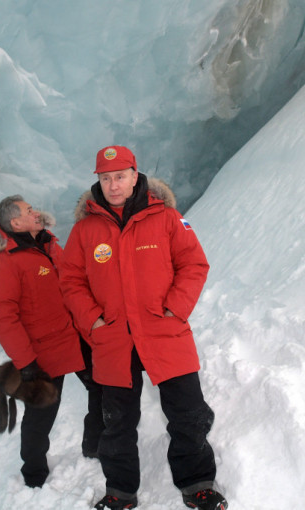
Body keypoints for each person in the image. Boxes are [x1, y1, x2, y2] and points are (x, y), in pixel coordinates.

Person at [59, 146, 227, 510]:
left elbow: (194, 264)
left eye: (120, 176)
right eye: (106, 178)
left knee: (188, 414)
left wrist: (175, 308)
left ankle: (197, 484)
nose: (113, 185)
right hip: (113, 339)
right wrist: (93, 320)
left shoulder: (167, 218)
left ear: (135, 176)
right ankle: (120, 492)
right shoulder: (85, 230)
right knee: (116, 424)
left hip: (164, 333)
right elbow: (70, 280)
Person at [0, 195, 104, 488]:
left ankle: (95, 445)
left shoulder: (49, 246)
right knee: (41, 413)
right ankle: (34, 475)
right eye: (29, 211)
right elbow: (3, 318)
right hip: (44, 352)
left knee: (102, 390)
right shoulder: (3, 264)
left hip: (77, 337)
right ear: (16, 223)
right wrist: (25, 362)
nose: (36, 212)